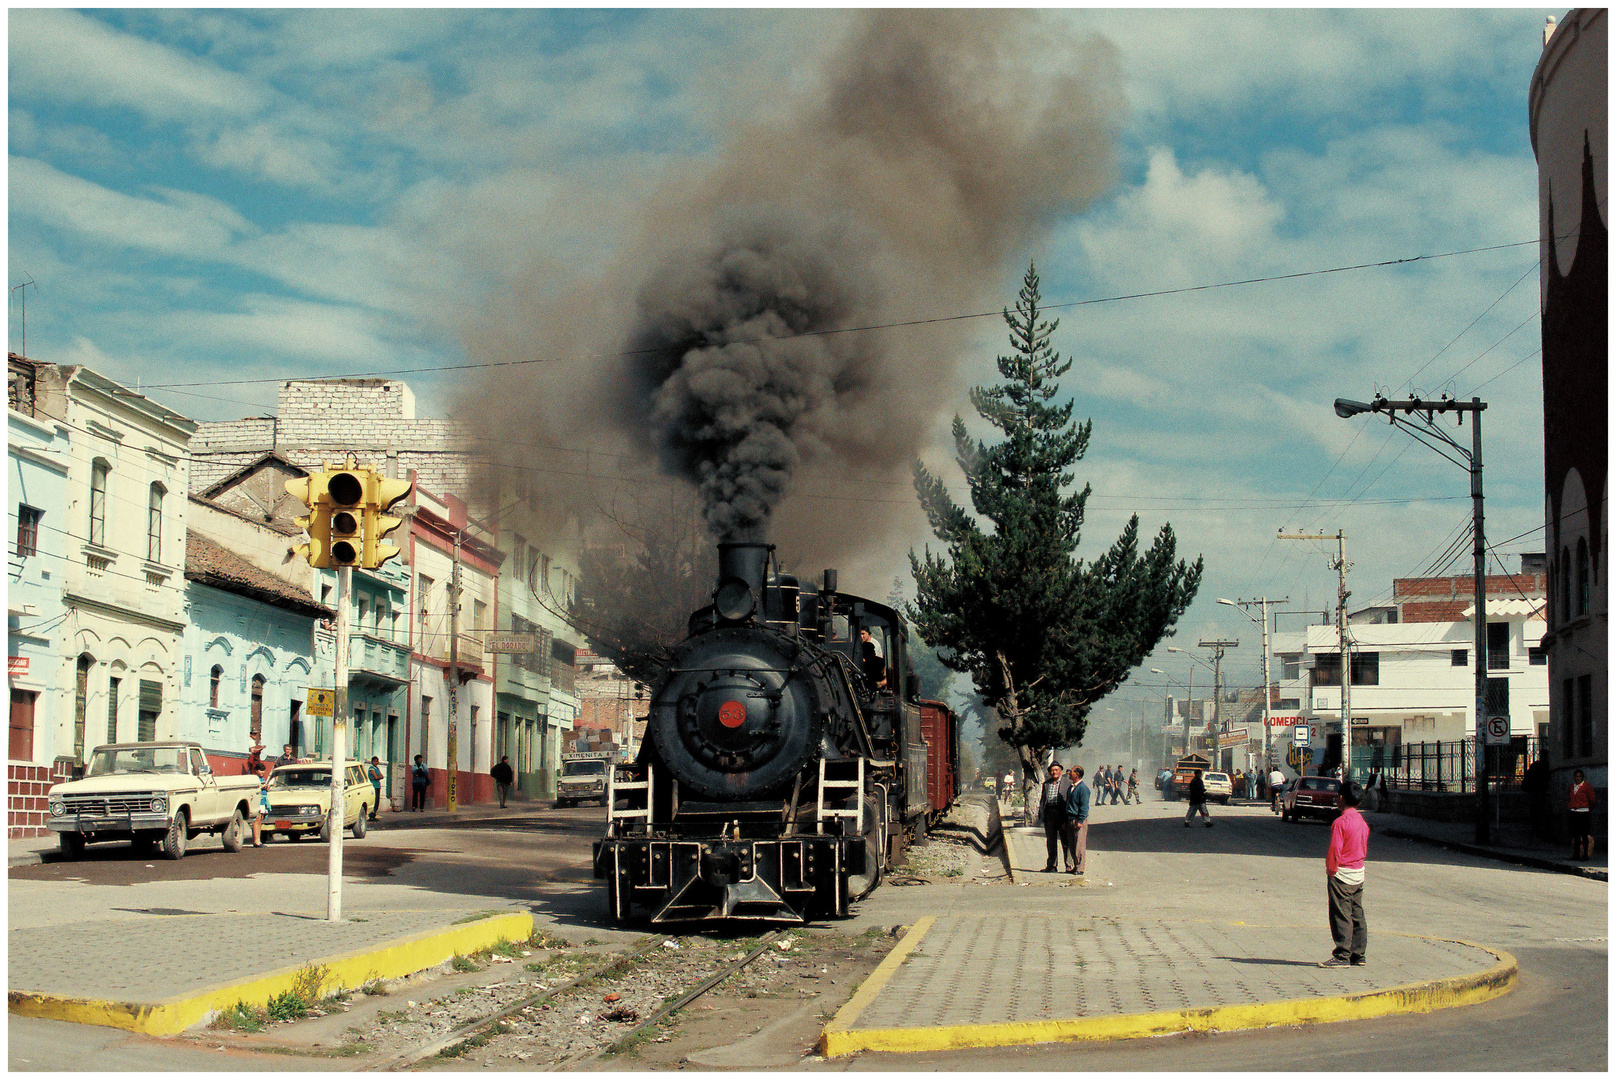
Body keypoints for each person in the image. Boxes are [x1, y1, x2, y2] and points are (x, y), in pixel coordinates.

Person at [1320, 780, 1369, 967]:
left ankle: (1342, 955)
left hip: (1342, 874)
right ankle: (1359, 954)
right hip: (1358, 872)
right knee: (1357, 914)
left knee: (1341, 914)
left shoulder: (1340, 823)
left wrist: (1331, 870)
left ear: (1341, 798)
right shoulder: (1362, 822)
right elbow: (1363, 846)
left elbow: (1335, 850)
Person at [1037, 762, 1067, 872]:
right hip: (1049, 813)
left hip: (1062, 814)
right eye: (1052, 770)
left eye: (1056, 770)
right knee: (1051, 841)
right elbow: (1043, 800)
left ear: (1061, 771)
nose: (1054, 772)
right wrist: (1041, 814)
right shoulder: (1046, 784)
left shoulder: (1067, 783)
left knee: (1065, 841)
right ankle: (1052, 865)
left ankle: (1069, 865)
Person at [1063, 765, 1091, 875]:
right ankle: (1075, 865)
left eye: (1072, 772)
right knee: (1072, 844)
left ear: (1077, 774)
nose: (1069, 773)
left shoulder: (1083, 789)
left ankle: (1080, 868)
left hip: (1078, 820)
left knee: (1079, 845)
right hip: (1070, 819)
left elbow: (1084, 807)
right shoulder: (1071, 787)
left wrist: (1080, 821)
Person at [1568, 769, 1596, 860]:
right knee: (1575, 835)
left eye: (1579, 776)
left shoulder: (1586, 787)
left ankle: (1585, 855)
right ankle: (1576, 854)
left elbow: (1592, 799)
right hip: (1574, 812)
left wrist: (1588, 808)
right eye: (1576, 776)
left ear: (1582, 777)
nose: (1577, 778)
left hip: (1583, 812)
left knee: (1584, 834)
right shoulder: (1572, 787)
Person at [1523, 756, 1549, 838]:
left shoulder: (1535, 766)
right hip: (1539, 792)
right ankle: (1537, 827)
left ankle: (1535, 827)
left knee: (1535, 810)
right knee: (1538, 810)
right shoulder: (1543, 766)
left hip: (1534, 792)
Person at [250, 761, 270, 847]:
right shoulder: (254, 779)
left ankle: (259, 840)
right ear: (256, 770)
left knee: (260, 821)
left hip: (263, 801)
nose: (262, 772)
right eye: (260, 770)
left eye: (263, 770)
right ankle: (256, 841)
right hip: (258, 801)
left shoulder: (263, 779)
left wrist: (267, 787)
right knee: (257, 821)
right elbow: (254, 789)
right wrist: (262, 787)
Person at [366, 756, 384, 821]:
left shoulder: (377, 768)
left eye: (377, 761)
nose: (376, 762)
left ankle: (374, 814)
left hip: (378, 786)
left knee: (377, 801)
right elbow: (376, 777)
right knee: (373, 800)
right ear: (372, 762)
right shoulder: (371, 768)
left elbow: (382, 776)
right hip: (373, 786)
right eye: (375, 761)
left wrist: (377, 777)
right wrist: (377, 777)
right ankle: (371, 815)